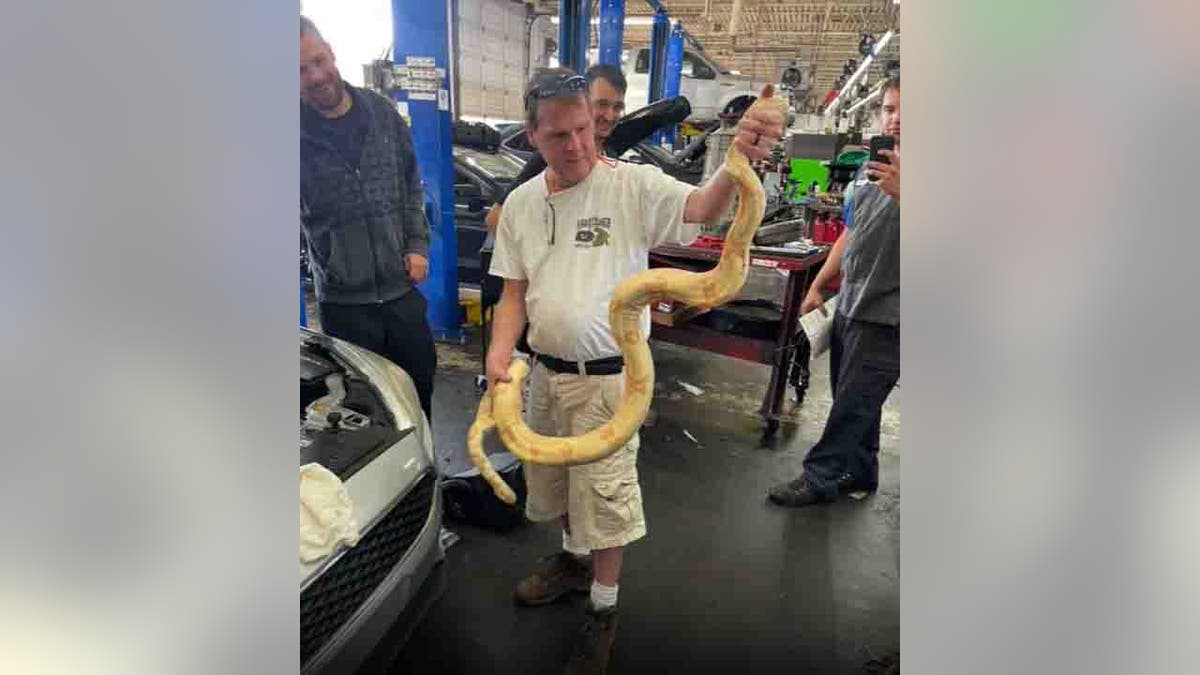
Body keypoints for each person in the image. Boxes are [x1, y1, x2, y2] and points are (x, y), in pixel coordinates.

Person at [487, 68, 784, 674]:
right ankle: (571, 562)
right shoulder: (520, 204)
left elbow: (702, 207)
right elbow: (513, 292)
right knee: (557, 487)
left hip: (610, 382)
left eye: (582, 130)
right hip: (543, 375)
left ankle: (603, 607)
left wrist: (740, 157)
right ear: (531, 136)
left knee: (608, 498)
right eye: (557, 136)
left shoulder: (632, 186)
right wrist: (499, 352)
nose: (574, 146)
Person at [768, 76, 901, 507]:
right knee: (856, 395)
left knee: (853, 402)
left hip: (892, 311)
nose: (896, 120)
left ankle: (820, 475)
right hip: (852, 301)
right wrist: (821, 284)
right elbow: (852, 232)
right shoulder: (869, 170)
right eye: (889, 109)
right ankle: (859, 471)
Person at [299, 16, 437, 421]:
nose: (316, 76)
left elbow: (412, 185)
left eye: (319, 61)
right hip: (345, 305)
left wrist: (417, 245)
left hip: (401, 293)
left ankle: (429, 479)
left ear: (332, 54)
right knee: (369, 414)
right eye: (301, 70)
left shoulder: (382, 113)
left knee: (419, 394)